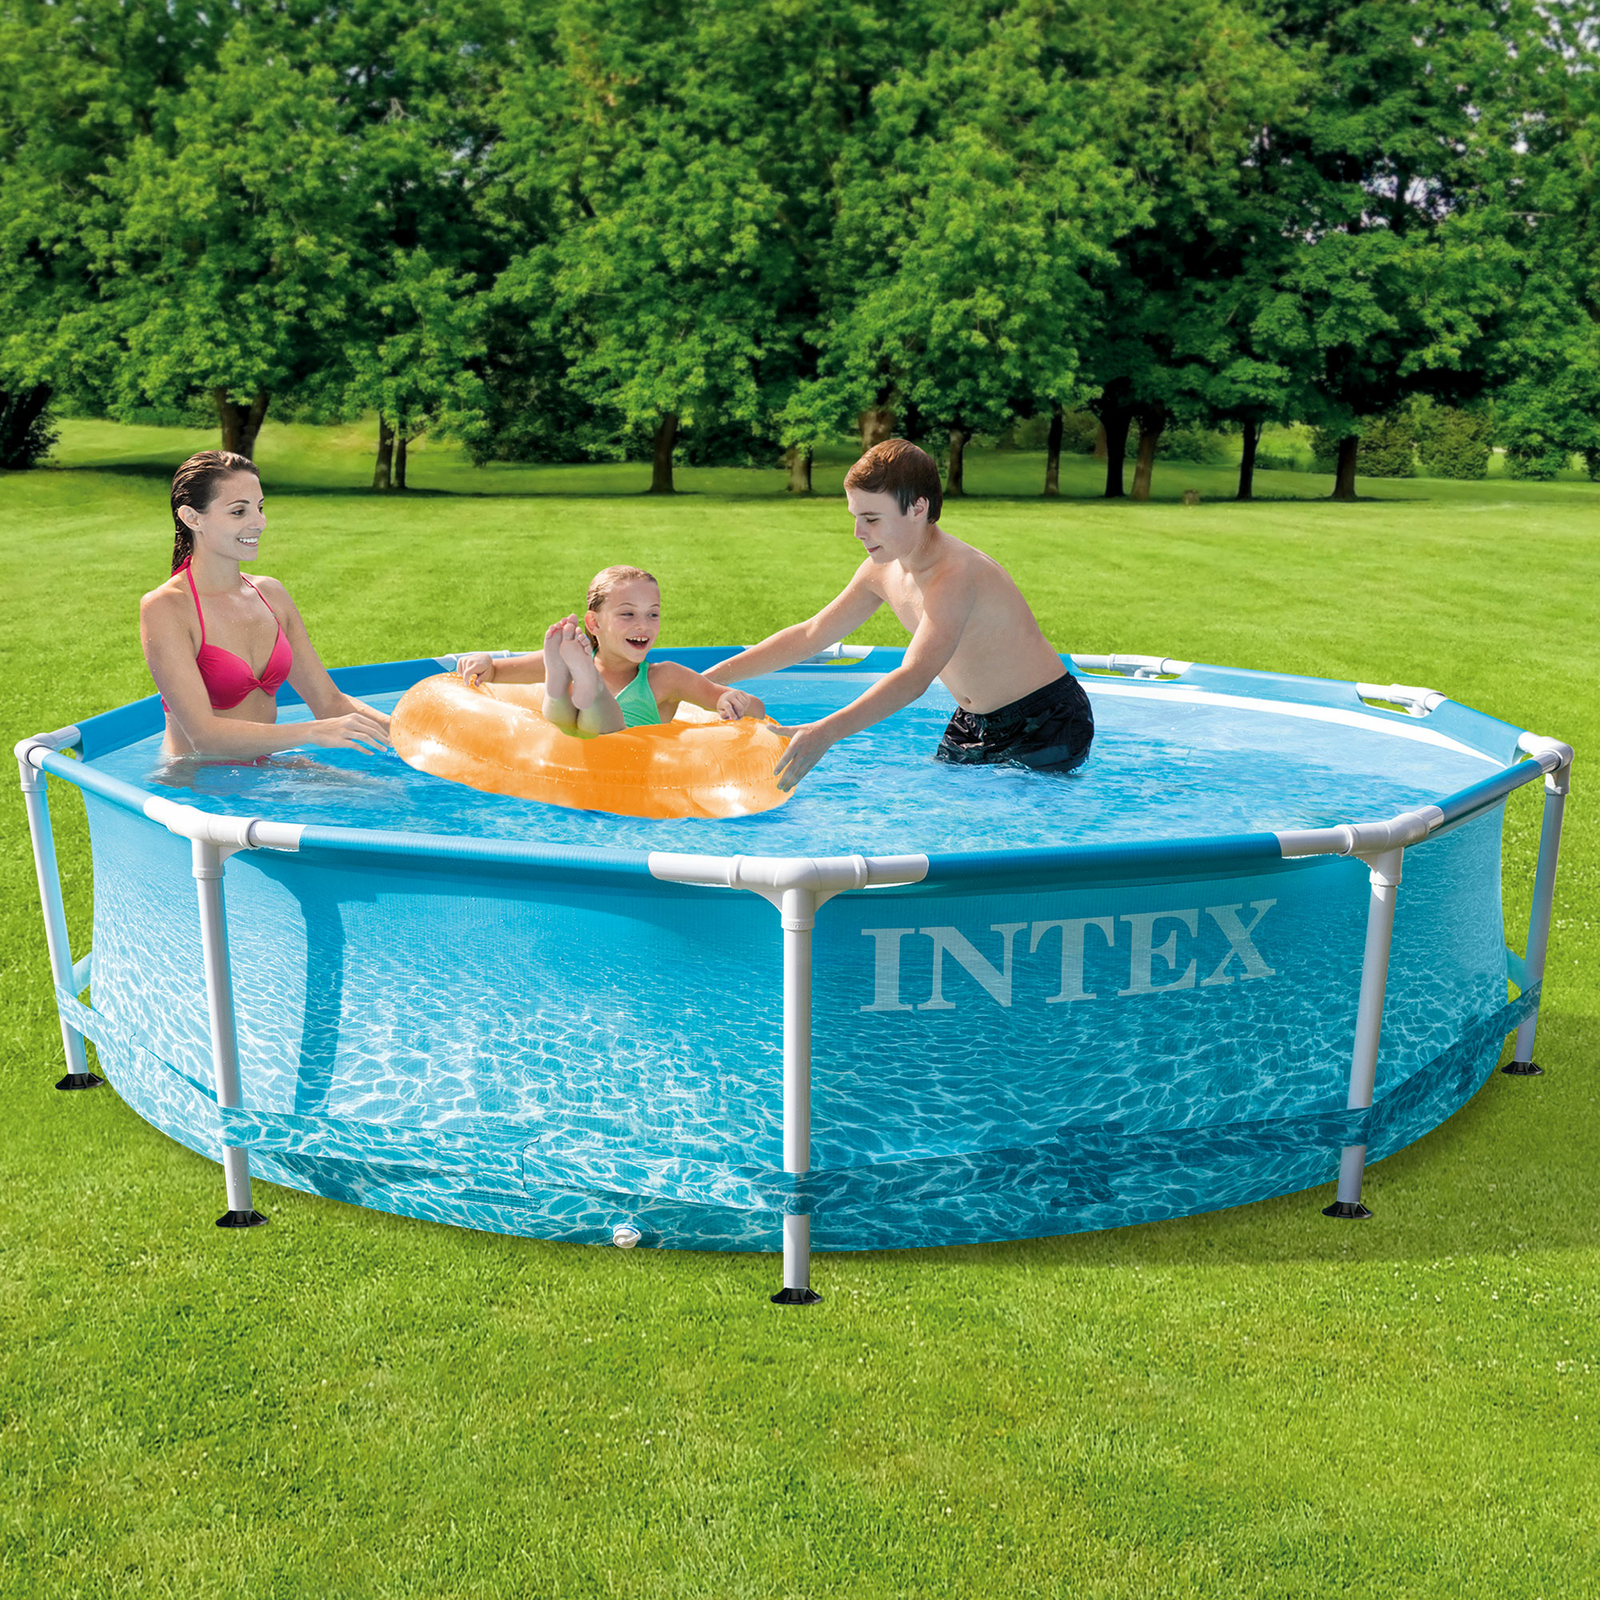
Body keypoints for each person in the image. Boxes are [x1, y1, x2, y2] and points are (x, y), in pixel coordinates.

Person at [706, 437, 1092, 791]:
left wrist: (825, 732)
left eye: (872, 519)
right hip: (972, 722)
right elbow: (811, 635)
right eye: (855, 516)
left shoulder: (955, 575)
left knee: (1002, 819)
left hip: (1047, 721)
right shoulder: (882, 570)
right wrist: (704, 682)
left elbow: (913, 677)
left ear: (918, 508)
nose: (858, 532)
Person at [140, 452, 392, 760]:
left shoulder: (270, 595)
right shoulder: (167, 608)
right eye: (239, 512)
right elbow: (204, 737)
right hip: (195, 778)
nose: (259, 523)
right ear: (193, 518)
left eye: (259, 508)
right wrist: (312, 732)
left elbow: (330, 703)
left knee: (386, 788)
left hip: (261, 769)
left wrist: (416, 733)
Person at [455, 565, 765, 735]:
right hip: (569, 753)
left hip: (622, 762)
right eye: (627, 614)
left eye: (653, 614)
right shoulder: (571, 656)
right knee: (562, 708)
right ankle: (559, 686)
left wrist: (732, 700)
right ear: (593, 623)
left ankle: (588, 687)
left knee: (599, 718)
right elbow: (495, 671)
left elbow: (756, 709)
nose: (643, 625)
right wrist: (485, 662)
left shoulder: (666, 678)